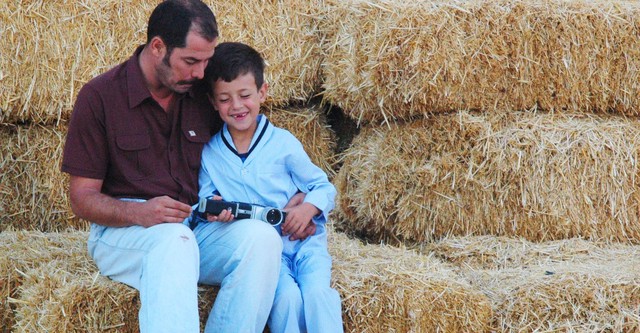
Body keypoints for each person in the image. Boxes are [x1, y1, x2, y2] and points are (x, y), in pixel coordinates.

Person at [61, 1, 314, 332]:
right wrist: (139, 213)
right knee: (173, 242)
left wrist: (294, 200)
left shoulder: (203, 93)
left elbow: (250, 147)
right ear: (158, 48)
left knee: (263, 239)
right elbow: (81, 198)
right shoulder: (100, 97)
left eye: (206, 62)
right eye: (191, 61)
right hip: (124, 234)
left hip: (197, 227)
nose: (199, 73)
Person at [195, 41, 343, 333]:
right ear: (213, 102)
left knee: (316, 295)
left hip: (304, 244)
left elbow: (322, 186)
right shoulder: (211, 153)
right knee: (286, 299)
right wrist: (214, 209)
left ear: (262, 92)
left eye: (245, 95)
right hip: (268, 255)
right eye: (224, 99)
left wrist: (307, 209)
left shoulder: (283, 143)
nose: (236, 106)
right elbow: (204, 198)